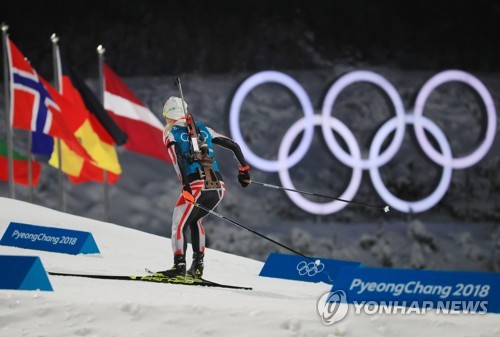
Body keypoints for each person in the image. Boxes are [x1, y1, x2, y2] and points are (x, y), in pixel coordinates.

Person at [158, 96, 251, 278]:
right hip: (218, 186)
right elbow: (234, 145)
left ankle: (179, 267)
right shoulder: (205, 130)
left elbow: (177, 156)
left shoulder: (170, 133)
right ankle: (198, 267)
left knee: (178, 224)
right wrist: (244, 171)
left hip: (195, 184)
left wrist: (186, 187)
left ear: (168, 116)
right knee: (195, 221)